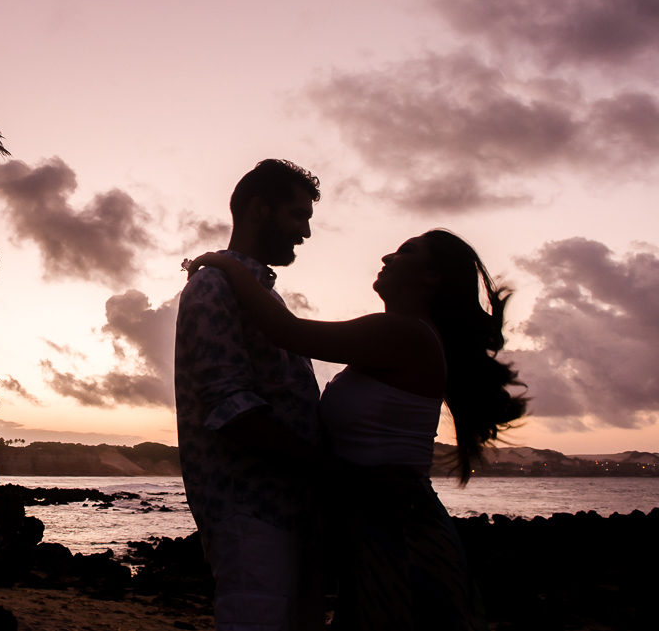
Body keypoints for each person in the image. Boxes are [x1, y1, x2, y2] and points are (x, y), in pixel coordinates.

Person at [187, 229, 528, 631]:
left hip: (399, 528)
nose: (387, 256)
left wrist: (226, 263)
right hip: (378, 523)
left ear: (432, 276)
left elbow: (285, 332)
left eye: (406, 251)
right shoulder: (401, 334)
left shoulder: (404, 333)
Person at [174, 159, 325, 631]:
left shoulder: (258, 292)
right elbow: (231, 408)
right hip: (251, 513)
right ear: (260, 210)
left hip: (287, 510)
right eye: (297, 216)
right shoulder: (213, 286)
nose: (304, 232)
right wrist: (329, 469)